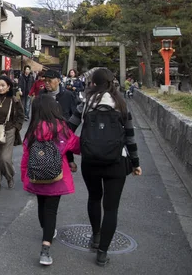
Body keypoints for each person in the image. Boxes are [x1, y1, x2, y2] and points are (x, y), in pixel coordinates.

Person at [68, 68, 142, 267]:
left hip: (90, 161)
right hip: (116, 162)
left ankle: (96, 236)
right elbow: (130, 137)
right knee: (111, 208)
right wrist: (135, 164)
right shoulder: (121, 104)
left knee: (94, 197)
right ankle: (102, 253)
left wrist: (69, 157)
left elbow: (68, 130)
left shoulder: (85, 103)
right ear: (112, 83)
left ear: (93, 82)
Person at [21, 94, 81, 266]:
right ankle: (45, 249)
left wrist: (25, 175)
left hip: (36, 176)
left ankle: (47, 231)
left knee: (41, 205)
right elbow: (76, 146)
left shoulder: (32, 131)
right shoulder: (61, 128)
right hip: (57, 177)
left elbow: (26, 156)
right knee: (51, 211)